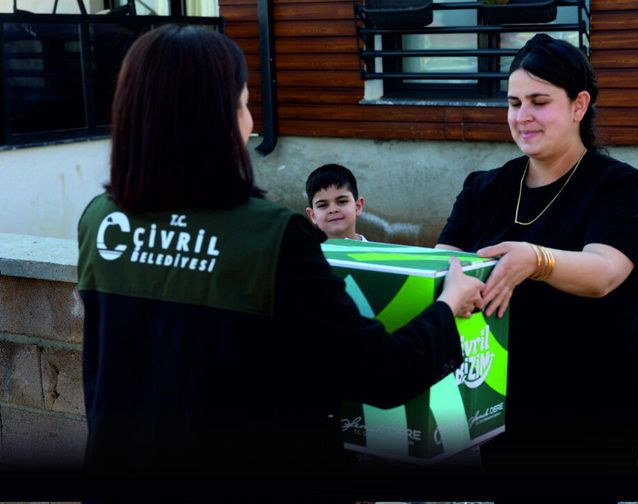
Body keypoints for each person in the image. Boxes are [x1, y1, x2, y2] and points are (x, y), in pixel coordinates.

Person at [76, 25, 483, 477]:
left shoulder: (101, 221)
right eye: (246, 103)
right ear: (220, 119)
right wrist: (448, 307)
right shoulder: (272, 237)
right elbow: (378, 373)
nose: (251, 120)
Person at [436, 34, 638, 476]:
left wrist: (537, 261)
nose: (522, 116)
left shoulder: (617, 186)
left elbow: (605, 273)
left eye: (539, 101)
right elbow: (443, 263)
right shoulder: (484, 187)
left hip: (595, 407)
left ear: (578, 105)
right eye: (514, 103)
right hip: (504, 402)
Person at [305, 163, 367, 241]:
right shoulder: (302, 253)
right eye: (322, 205)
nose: (333, 210)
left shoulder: (379, 252)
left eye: (342, 201)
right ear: (312, 215)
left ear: (358, 206)